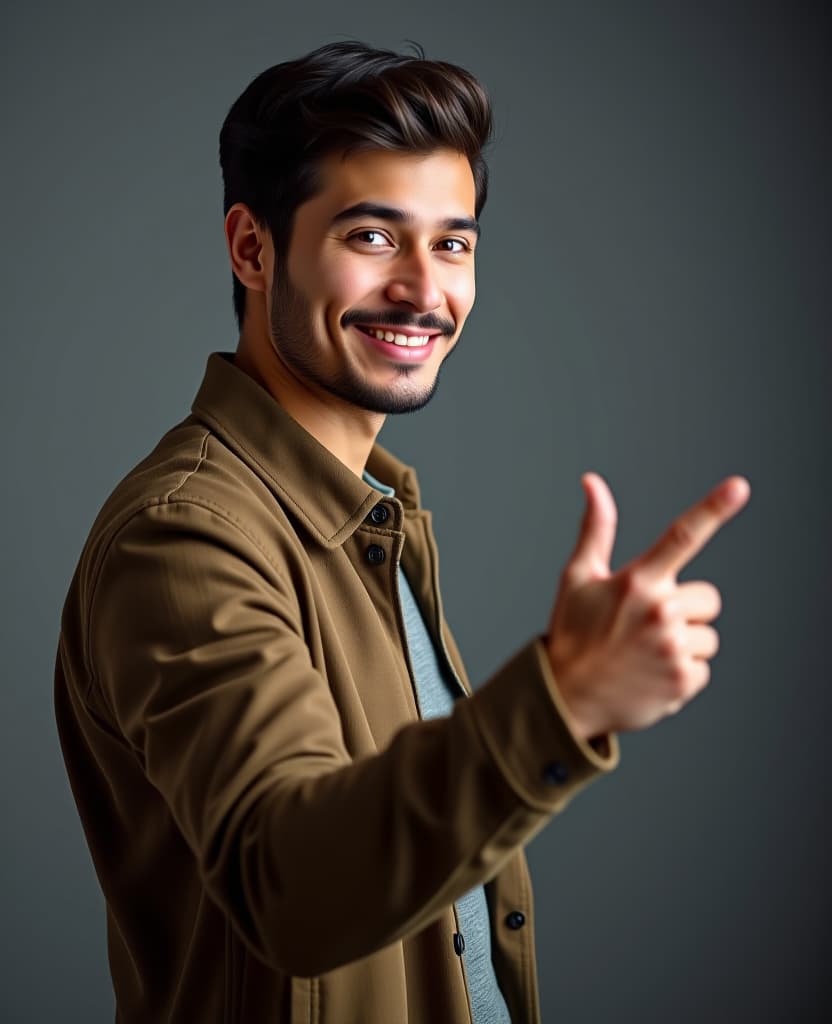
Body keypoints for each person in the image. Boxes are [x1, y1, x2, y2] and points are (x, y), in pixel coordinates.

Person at [54, 40, 751, 1024]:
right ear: (252, 248)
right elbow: (287, 884)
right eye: (374, 237)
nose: (426, 290)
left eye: (453, 242)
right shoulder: (186, 536)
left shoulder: (371, 514)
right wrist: (560, 699)